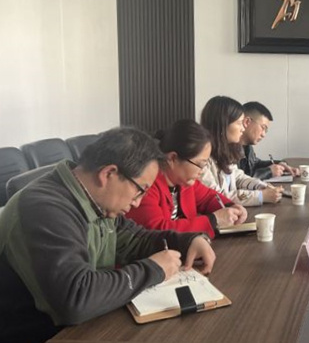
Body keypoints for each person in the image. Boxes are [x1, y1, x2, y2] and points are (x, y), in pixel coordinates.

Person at [0, 127, 216, 343]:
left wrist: (188, 241)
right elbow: (76, 299)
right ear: (108, 174)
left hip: (87, 326)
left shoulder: (96, 202)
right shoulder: (45, 208)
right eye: (140, 190)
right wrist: (153, 269)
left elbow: (136, 239)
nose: (138, 202)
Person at [126, 119, 247, 238]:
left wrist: (231, 207)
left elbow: (208, 197)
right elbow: (158, 230)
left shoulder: (184, 182)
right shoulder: (146, 184)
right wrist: (214, 220)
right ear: (173, 158)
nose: (202, 171)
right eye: (199, 164)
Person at [199, 96, 282, 206]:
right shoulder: (201, 157)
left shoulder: (227, 149)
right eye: (239, 123)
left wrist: (262, 186)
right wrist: (261, 196)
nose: (243, 128)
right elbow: (218, 197)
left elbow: (238, 177)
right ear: (223, 124)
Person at [238, 101, 300, 180]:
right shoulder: (228, 148)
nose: (263, 135)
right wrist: (269, 171)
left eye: (266, 131)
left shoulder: (247, 146)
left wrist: (279, 165)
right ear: (247, 122)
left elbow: (255, 164)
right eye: (263, 128)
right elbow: (238, 181)